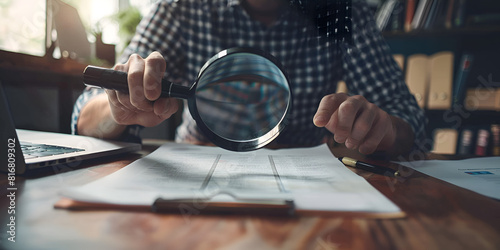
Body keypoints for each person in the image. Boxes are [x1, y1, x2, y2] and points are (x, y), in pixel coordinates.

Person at [72, 0, 426, 157]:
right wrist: (116, 110)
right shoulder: (182, 8)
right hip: (195, 176)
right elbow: (86, 119)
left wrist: (383, 129)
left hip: (303, 184)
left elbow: (409, 121)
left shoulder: (338, 11)